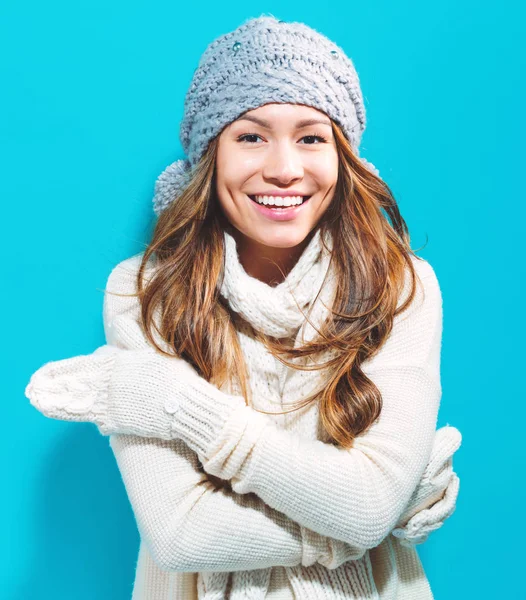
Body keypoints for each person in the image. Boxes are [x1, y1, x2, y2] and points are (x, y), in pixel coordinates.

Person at [25, 14, 462, 600]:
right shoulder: (141, 295)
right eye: (251, 135)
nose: (284, 168)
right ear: (210, 155)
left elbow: (367, 507)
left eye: (311, 137)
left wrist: (177, 406)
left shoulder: (401, 287)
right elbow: (181, 536)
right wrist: (356, 525)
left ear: (344, 158)